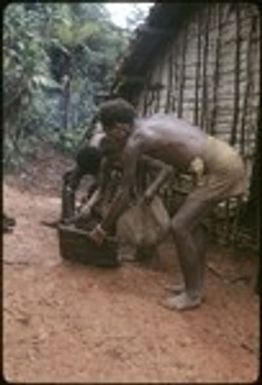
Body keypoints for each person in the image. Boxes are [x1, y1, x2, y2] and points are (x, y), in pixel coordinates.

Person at [89, 98, 246, 311]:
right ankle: (195, 286)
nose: (111, 139)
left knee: (179, 226)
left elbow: (124, 194)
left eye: (109, 133)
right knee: (194, 226)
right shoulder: (153, 120)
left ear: (120, 127)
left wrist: (103, 228)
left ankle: (191, 295)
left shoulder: (136, 141)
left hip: (221, 168)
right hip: (221, 156)